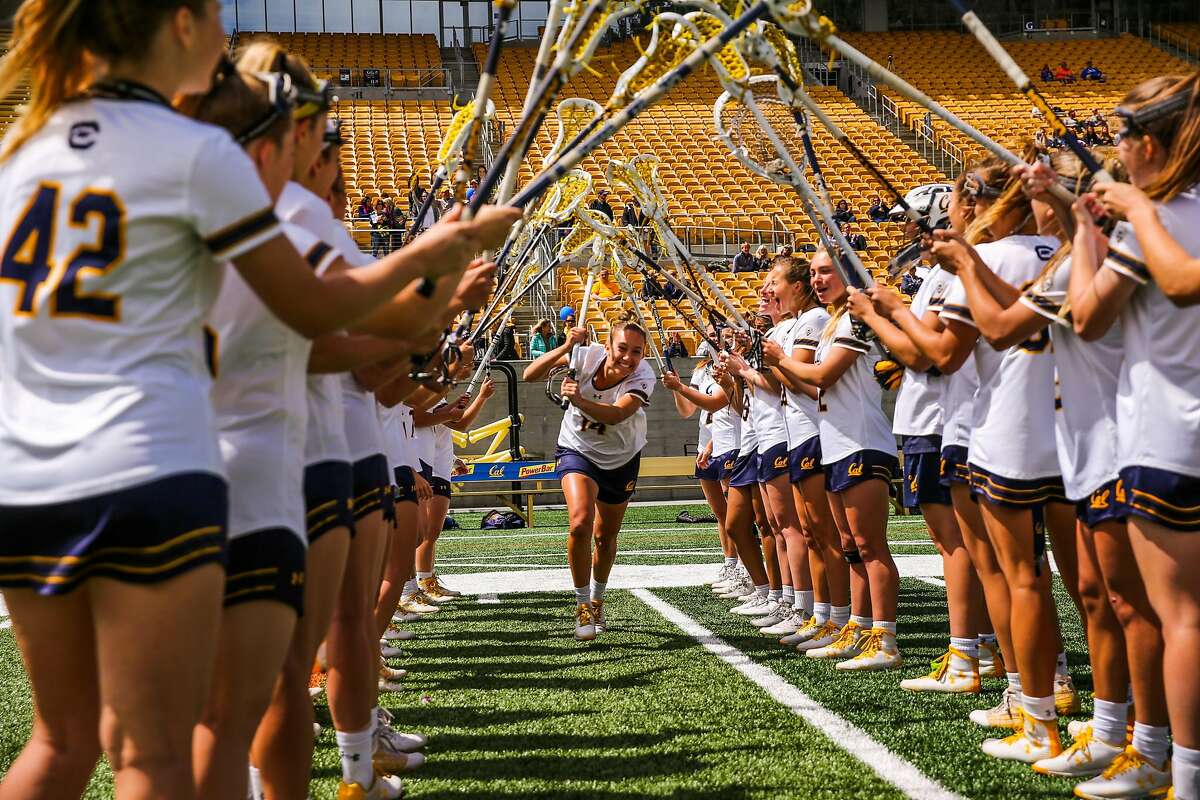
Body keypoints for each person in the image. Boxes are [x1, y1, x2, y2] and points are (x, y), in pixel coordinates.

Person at [1065, 72, 1200, 800]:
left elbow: (1088, 316)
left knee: (1182, 620)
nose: (1113, 150)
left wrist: (1103, 225)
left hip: (1168, 439)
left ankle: (1179, 774)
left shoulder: (1162, 219)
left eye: (1120, 137)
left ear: (1148, 145)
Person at [848, 184, 986, 694]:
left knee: (959, 544)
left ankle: (966, 652)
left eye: (914, 218)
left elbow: (926, 354)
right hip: (935, 418)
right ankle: (986, 646)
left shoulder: (950, 273)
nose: (905, 227)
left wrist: (878, 316)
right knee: (966, 544)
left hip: (940, 422)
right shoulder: (938, 276)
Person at [763, 250, 902, 670]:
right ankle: (858, 628)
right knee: (850, 546)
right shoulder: (835, 323)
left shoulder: (853, 320)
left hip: (861, 440)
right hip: (837, 442)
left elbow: (822, 379)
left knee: (870, 546)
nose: (819, 279)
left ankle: (885, 638)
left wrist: (780, 360)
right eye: (817, 272)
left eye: (827, 272)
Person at [522, 321, 656, 640]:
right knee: (580, 521)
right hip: (577, 448)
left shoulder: (644, 376)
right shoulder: (584, 357)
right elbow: (530, 374)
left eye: (636, 351)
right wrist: (567, 348)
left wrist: (579, 400)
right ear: (607, 346)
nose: (628, 357)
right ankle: (582, 605)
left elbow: (617, 414)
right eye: (622, 348)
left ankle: (597, 599)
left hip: (621, 458)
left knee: (605, 536)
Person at [661, 336, 741, 592]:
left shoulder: (731, 368)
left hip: (726, 443)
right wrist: (676, 388)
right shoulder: (701, 369)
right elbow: (687, 410)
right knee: (720, 512)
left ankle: (743, 569)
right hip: (705, 443)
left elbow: (714, 403)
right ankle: (730, 564)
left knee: (735, 515)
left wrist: (681, 388)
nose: (713, 340)